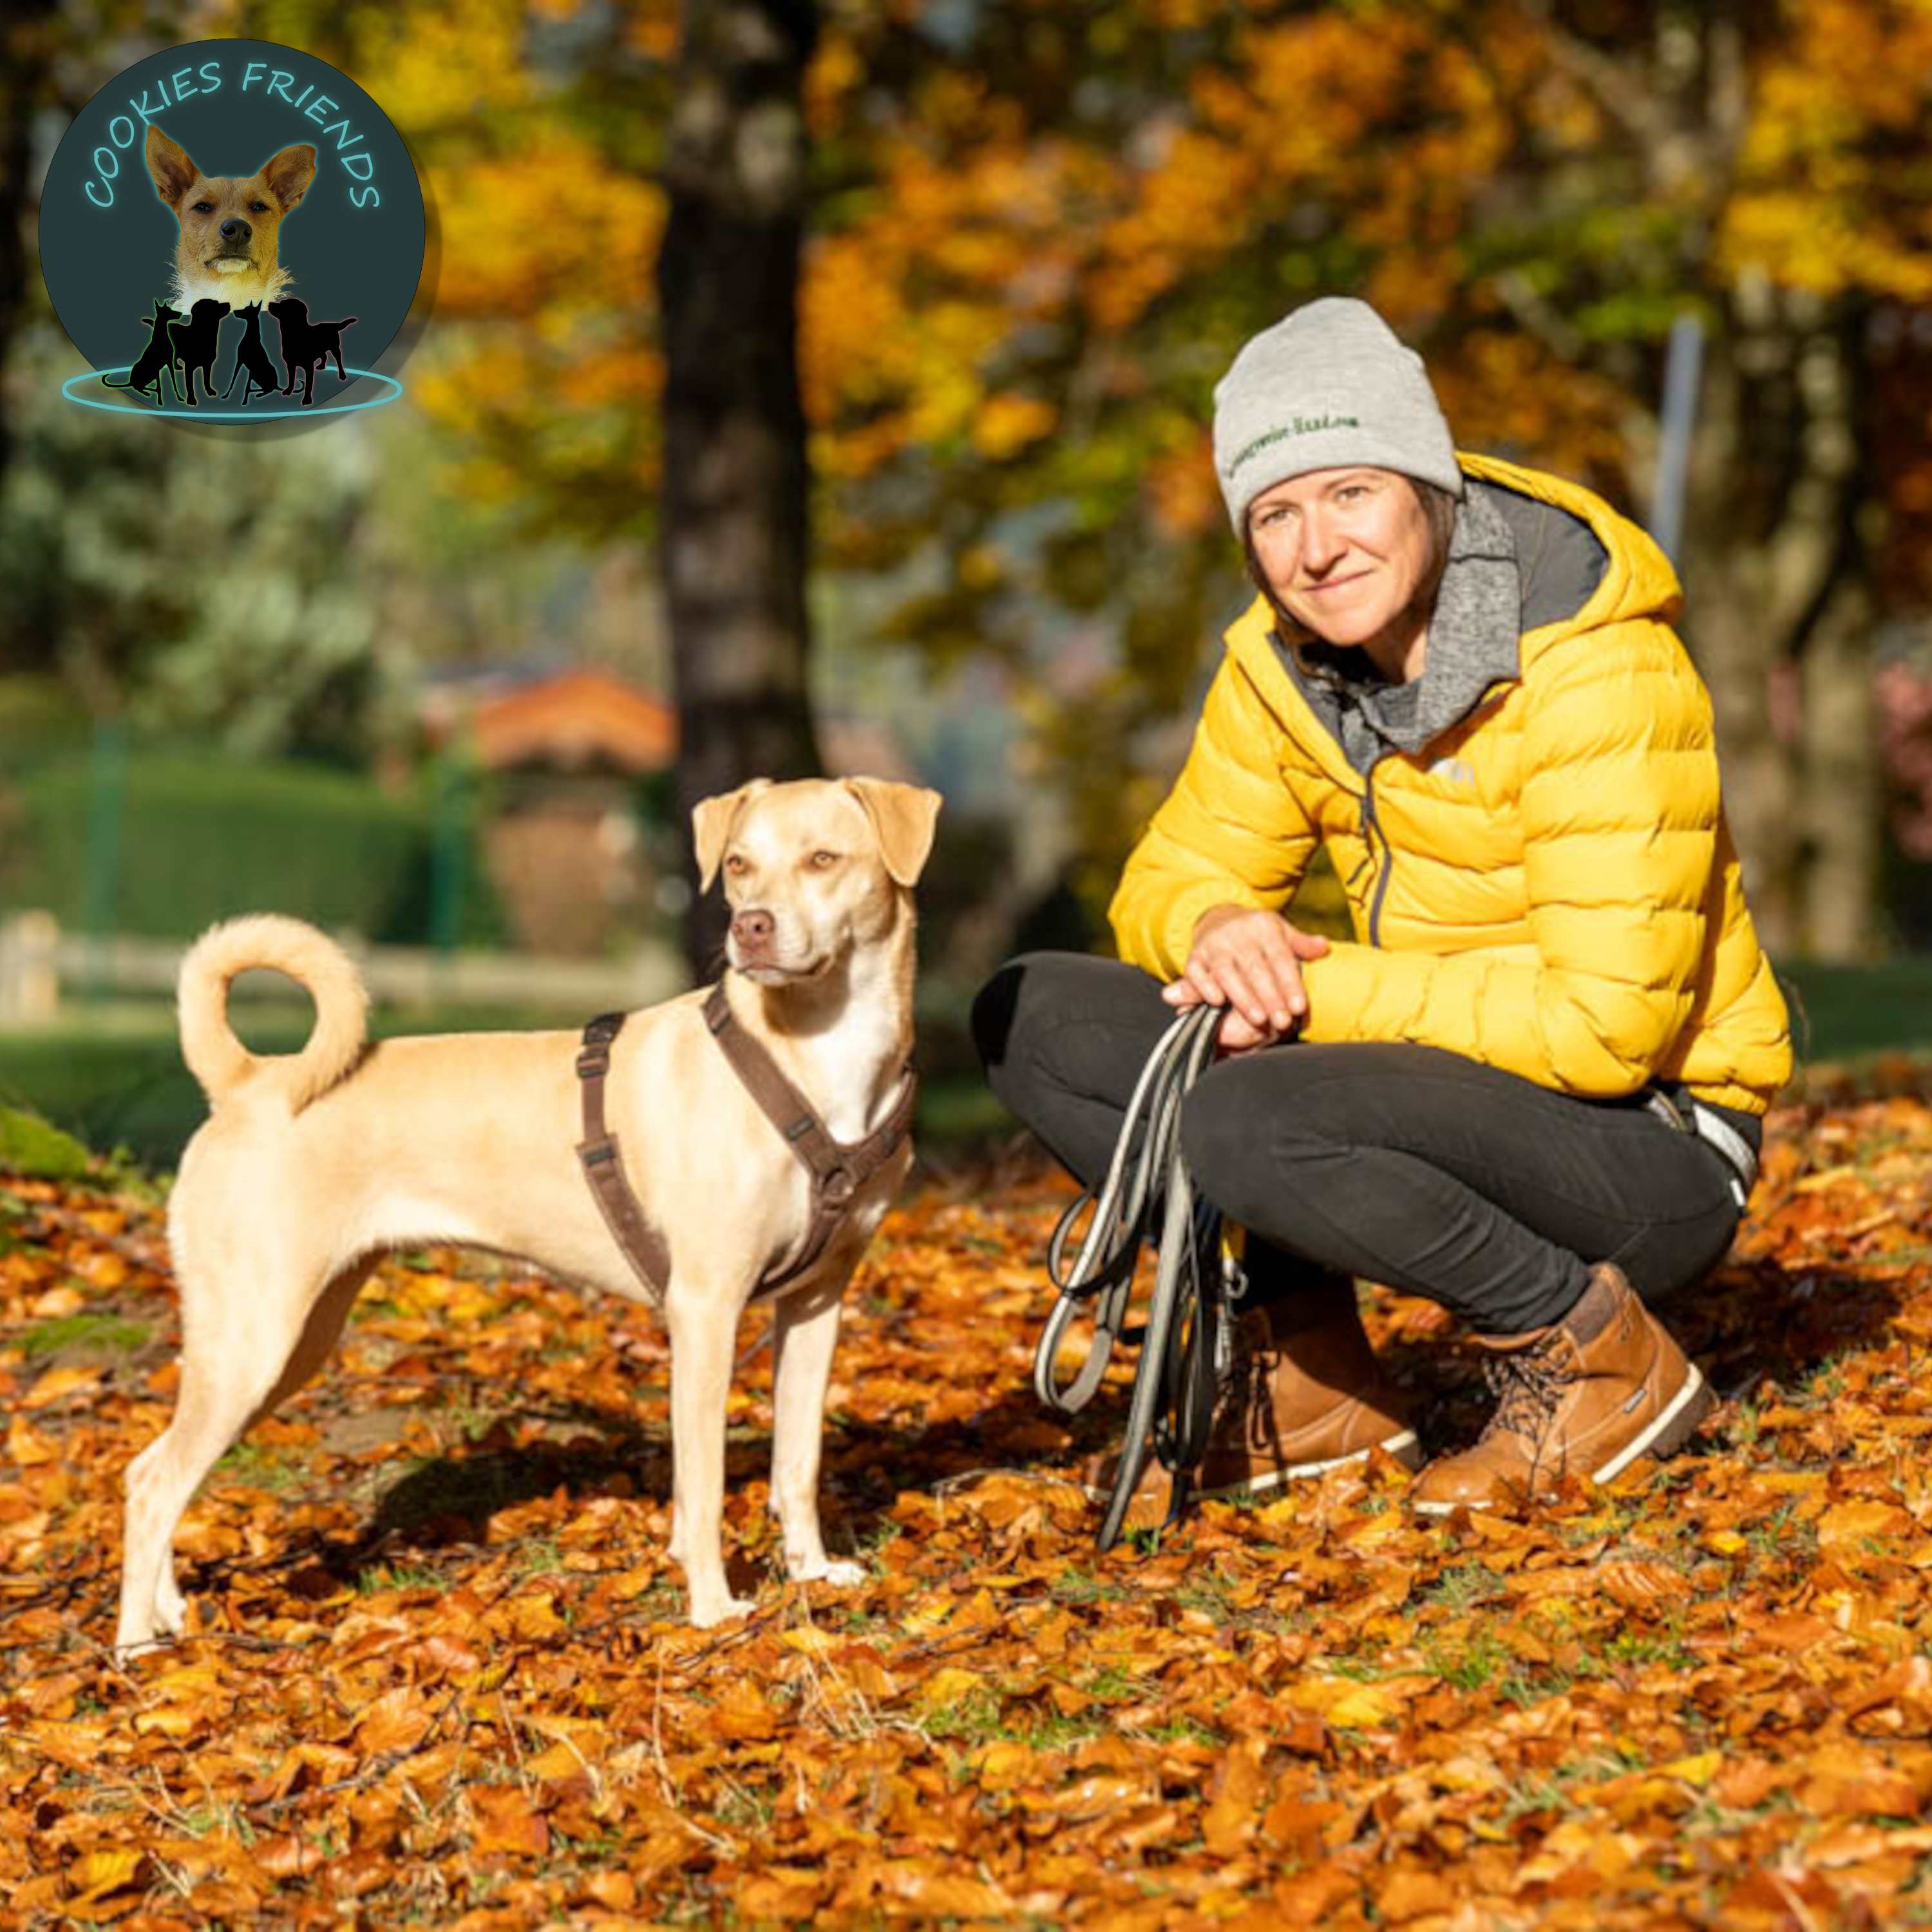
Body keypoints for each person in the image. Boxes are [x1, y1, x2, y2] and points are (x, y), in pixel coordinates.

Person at [972, 296, 1791, 1517]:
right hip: (1438, 1086)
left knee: (1248, 1115)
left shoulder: (1598, 666)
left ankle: (1589, 1359)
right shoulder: (1279, 666)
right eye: (1276, 514)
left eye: (1350, 492)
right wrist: (1216, 929)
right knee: (1036, 1016)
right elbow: (1171, 868)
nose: (1316, 550)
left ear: (1427, 487)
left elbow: (1606, 1028)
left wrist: (1310, 992)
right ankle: (1309, 1384)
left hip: (1653, 1142)